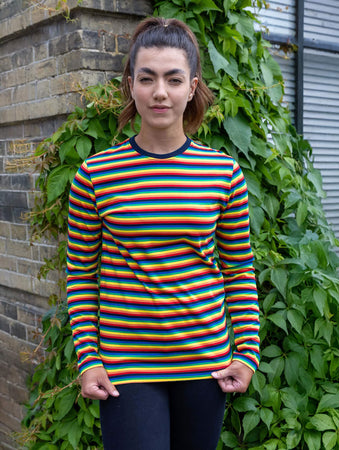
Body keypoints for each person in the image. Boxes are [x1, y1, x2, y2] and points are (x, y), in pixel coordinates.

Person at [66, 16, 260, 450]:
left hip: (205, 364)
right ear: (130, 83)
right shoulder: (95, 174)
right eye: (147, 78)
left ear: (191, 86)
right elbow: (80, 273)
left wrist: (247, 352)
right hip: (126, 367)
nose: (159, 92)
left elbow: (238, 269)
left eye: (173, 79)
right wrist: (88, 358)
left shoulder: (222, 173)